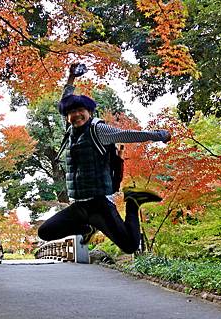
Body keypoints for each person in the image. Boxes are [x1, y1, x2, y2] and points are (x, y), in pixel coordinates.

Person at [37, 64, 171, 254]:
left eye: (80, 110)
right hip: (79, 205)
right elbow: (65, 100)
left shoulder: (98, 130)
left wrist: (158, 135)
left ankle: (133, 201)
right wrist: (71, 78)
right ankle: (87, 228)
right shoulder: (70, 132)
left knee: (130, 246)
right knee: (45, 231)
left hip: (100, 204)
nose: (75, 115)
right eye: (71, 113)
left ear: (89, 112)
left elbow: (127, 135)